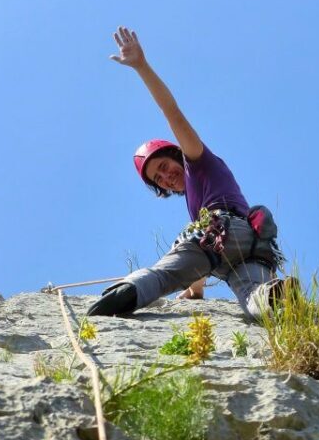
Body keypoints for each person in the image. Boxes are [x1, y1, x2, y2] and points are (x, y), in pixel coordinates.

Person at [87, 26, 286, 320]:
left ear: (177, 154)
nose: (166, 176)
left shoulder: (197, 160)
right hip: (250, 245)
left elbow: (173, 114)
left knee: (165, 273)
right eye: (159, 178)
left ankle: (124, 293)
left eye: (165, 166)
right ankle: (274, 297)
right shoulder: (197, 197)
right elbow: (205, 255)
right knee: (252, 295)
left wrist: (142, 67)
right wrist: (196, 291)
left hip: (221, 229)